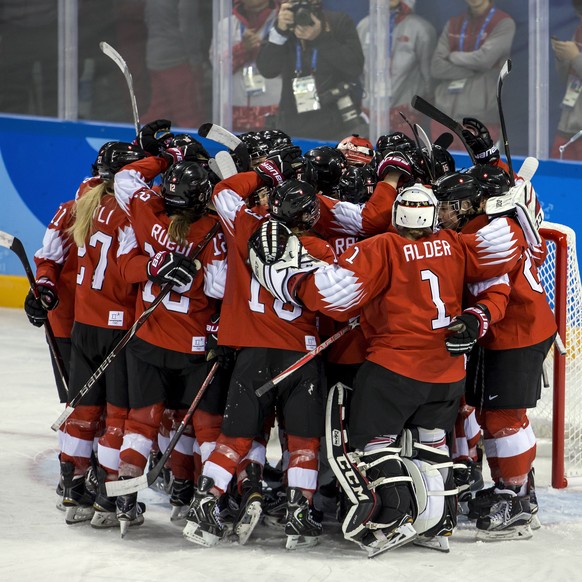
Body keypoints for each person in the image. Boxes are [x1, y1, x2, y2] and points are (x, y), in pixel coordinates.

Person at [248, 183, 525, 556]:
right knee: (432, 444)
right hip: (447, 373)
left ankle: (389, 516)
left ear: (397, 215)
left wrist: (287, 276)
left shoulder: (381, 247)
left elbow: (332, 297)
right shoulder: (456, 243)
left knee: (370, 444)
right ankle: (438, 523)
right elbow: (503, 251)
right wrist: (513, 207)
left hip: (394, 369)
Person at [183, 154, 336, 550]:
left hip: (250, 355)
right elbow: (333, 300)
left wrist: (260, 174)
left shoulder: (247, 226)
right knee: (304, 442)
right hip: (298, 358)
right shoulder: (320, 248)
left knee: (234, 438)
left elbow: (223, 192)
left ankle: (205, 504)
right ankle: (299, 516)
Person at [112, 124, 228, 536]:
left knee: (142, 422)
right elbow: (219, 288)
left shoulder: (147, 213)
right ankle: (196, 495)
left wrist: (163, 155)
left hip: (147, 337)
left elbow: (126, 178)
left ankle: (125, 498)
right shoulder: (214, 232)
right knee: (203, 425)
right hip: (194, 348)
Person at [434, 167, 557, 540]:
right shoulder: (487, 225)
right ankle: (516, 489)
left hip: (517, 333)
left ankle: (515, 497)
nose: (443, 213)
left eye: (450, 206)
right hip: (508, 333)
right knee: (491, 414)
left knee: (504, 417)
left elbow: (494, 290)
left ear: (472, 205)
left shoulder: (487, 234)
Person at [57, 141, 146, 527]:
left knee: (82, 411)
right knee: (117, 418)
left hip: (84, 324)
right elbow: (133, 269)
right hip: (119, 331)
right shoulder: (133, 213)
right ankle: (109, 499)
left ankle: (74, 487)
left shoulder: (85, 199)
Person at [255, 0, 366, 140]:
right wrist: (279, 33)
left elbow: (354, 68)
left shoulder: (337, 22)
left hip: (335, 125)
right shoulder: (285, 26)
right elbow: (267, 70)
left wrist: (321, 38)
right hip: (292, 124)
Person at [430, 0, 515, 149]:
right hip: (444, 115)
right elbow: (437, 67)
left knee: (477, 169)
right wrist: (475, 68)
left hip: (480, 117)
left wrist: (453, 56)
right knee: (441, 169)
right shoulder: (454, 23)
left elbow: (484, 60)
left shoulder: (503, 22)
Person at [356, 0, 436, 136]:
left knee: (403, 156)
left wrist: (416, 107)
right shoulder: (364, 26)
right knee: (372, 155)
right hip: (370, 111)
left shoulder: (421, 29)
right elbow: (360, 70)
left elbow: (429, 75)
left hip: (405, 113)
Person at [212, 0, 282, 133]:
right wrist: (242, 48)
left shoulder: (282, 22)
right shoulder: (226, 25)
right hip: (235, 109)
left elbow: (291, 64)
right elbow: (218, 68)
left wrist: (265, 49)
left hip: (273, 106)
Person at [142, 0, 206, 128]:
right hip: (177, 58)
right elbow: (188, 26)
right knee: (187, 114)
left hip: (154, 54)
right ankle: (188, 145)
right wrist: (195, 59)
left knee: (159, 110)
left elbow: (147, 19)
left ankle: (141, 139)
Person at [550, 0, 582, 160]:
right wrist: (562, 57)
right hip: (568, 124)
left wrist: (575, 57)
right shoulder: (579, 30)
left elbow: (576, 60)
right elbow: (565, 78)